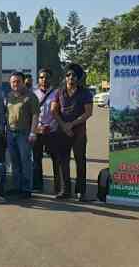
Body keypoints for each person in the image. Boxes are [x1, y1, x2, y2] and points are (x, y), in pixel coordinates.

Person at [51, 63, 93, 201]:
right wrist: (64, 126)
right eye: (68, 75)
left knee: (80, 161)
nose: (70, 78)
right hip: (62, 131)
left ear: (78, 77)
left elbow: (88, 113)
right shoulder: (59, 92)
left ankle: (81, 192)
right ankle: (65, 191)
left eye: (73, 75)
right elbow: (54, 110)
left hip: (79, 132)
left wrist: (72, 124)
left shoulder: (85, 92)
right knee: (63, 161)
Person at [5, 72, 39, 199]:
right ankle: (16, 186)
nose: (15, 84)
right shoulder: (9, 96)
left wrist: (32, 132)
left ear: (23, 81)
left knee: (25, 161)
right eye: (13, 82)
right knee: (14, 162)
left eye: (18, 81)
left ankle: (26, 189)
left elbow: (35, 115)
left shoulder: (30, 96)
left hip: (24, 134)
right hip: (10, 132)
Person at [33, 68, 59, 193]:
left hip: (52, 131)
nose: (44, 80)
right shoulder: (34, 93)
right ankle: (38, 186)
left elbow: (58, 113)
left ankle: (58, 186)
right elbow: (32, 113)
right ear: (38, 79)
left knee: (56, 159)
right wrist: (38, 126)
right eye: (41, 77)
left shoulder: (57, 93)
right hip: (37, 131)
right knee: (36, 159)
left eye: (46, 77)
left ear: (51, 79)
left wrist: (50, 126)